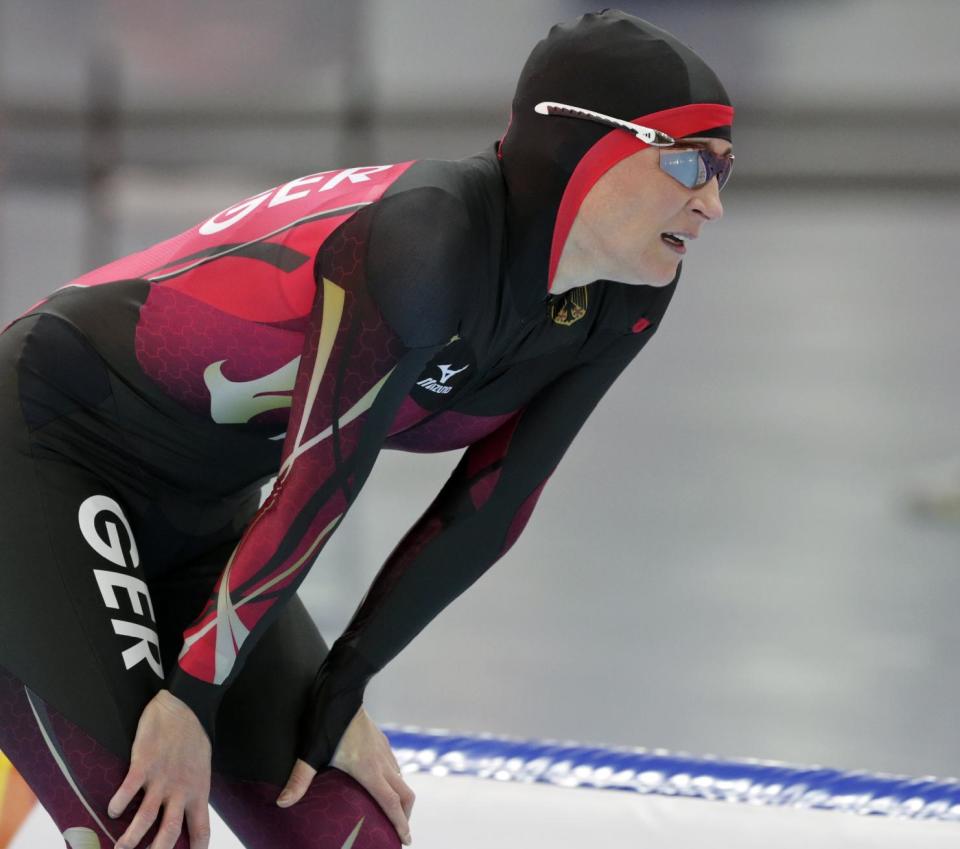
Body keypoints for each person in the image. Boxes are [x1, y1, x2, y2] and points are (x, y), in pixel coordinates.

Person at [0, 10, 734, 849]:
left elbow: (490, 507)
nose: (711, 203)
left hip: (200, 514)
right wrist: (190, 702)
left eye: (723, 169)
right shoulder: (425, 240)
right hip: (41, 444)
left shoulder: (628, 294)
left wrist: (340, 684)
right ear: (583, 148)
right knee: (143, 829)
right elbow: (322, 481)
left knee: (352, 833)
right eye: (686, 162)